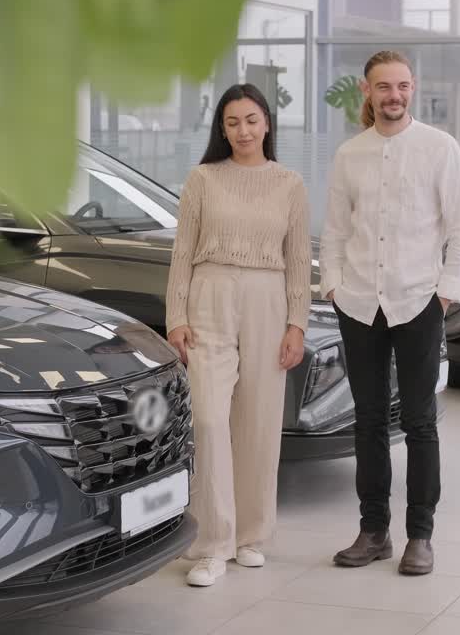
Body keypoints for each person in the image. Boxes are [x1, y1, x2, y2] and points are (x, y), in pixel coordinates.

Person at [320, 50, 460, 576]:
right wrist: (333, 285)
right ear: (367, 90)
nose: (394, 95)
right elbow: (335, 230)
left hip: (418, 302)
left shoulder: (440, 148)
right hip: (359, 303)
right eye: (384, 86)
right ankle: (373, 531)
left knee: (419, 421)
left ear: (413, 88)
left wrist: (446, 293)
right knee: (367, 421)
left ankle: (420, 536)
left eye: (403, 86)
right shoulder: (350, 154)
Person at [166, 83, 310, 587]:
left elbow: (298, 260)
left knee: (259, 421)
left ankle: (250, 535)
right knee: (208, 418)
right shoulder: (202, 179)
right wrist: (176, 316)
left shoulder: (290, 184)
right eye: (232, 123)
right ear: (222, 130)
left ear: (267, 123)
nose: (243, 131)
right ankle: (211, 543)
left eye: (251, 120)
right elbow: (182, 252)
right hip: (210, 296)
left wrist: (297, 324)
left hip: (268, 299)